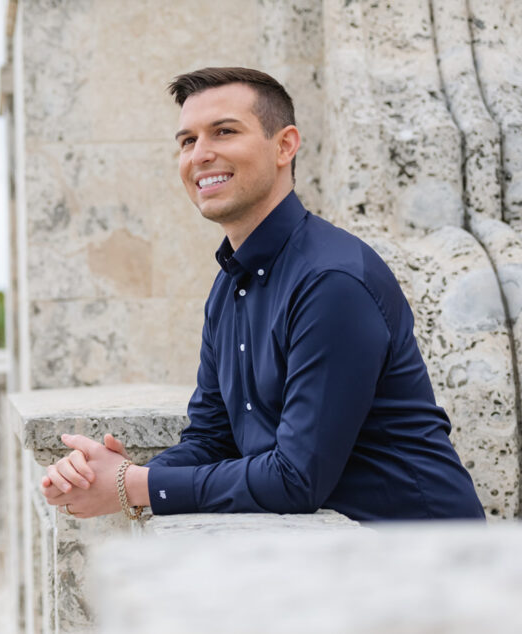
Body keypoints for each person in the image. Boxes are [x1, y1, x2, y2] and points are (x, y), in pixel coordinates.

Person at [42, 67, 485, 522]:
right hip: (343, 555)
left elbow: (296, 479)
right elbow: (213, 439)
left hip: (427, 560)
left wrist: (135, 485)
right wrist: (114, 476)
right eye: (187, 141)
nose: (201, 154)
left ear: (285, 145)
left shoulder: (331, 282)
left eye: (224, 132)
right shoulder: (228, 284)